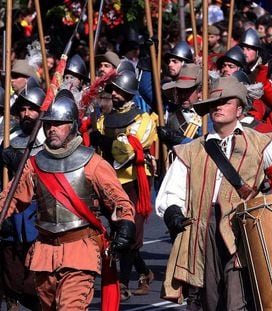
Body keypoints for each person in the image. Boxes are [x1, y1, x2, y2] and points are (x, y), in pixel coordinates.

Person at [156, 76, 272, 310]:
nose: (218, 107)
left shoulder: (260, 143)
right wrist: (172, 211)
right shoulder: (191, 150)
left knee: (237, 299)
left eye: (225, 102)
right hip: (203, 230)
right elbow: (173, 190)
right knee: (210, 300)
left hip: (244, 228)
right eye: (214, 103)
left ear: (240, 109)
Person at [0, 89, 136, 310]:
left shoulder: (92, 162)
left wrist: (126, 224)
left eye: (58, 123)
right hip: (44, 252)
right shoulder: (34, 164)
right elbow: (10, 198)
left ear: (72, 125)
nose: (51, 128)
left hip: (80, 250)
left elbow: (119, 200)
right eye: (48, 124)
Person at [91, 68, 157, 300]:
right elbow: (100, 152)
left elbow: (127, 150)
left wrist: (107, 142)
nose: (115, 94)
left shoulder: (144, 119)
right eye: (113, 90)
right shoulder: (102, 120)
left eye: (119, 90)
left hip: (134, 181)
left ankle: (122, 284)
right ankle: (144, 271)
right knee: (119, 231)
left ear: (128, 93)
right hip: (110, 181)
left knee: (130, 232)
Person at [0, 84, 46, 311]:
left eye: (32, 109)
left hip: (40, 212)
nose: (26, 114)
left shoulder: (50, 139)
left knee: (34, 281)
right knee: (12, 275)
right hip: (12, 211)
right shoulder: (10, 138)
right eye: (23, 109)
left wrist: (18, 162)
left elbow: (42, 170)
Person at [158, 63, 203, 149]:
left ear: (200, 92)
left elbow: (204, 147)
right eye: (180, 91)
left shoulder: (208, 116)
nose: (182, 95)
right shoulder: (170, 113)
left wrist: (178, 139)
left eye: (187, 91)